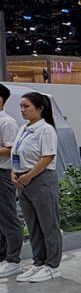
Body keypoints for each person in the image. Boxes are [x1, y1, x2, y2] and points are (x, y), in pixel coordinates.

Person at [10, 92, 63, 283]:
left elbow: (48, 156)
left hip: (40, 180)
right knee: (33, 225)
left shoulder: (46, 129)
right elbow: (17, 153)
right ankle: (39, 262)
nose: (22, 110)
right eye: (21, 106)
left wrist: (29, 176)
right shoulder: (23, 128)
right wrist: (14, 172)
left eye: (26, 106)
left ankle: (52, 265)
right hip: (23, 180)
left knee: (48, 225)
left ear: (40, 108)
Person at [0, 84, 24, 279]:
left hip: (3, 173)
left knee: (8, 217)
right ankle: (2, 257)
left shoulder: (7, 122)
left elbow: (11, 150)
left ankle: (13, 260)